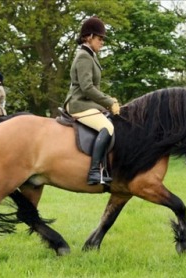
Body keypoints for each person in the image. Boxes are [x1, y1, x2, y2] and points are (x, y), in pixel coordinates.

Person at [63, 16, 120, 185]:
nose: (102, 42)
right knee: (107, 127)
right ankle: (94, 172)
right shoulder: (84, 56)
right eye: (100, 38)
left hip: (86, 102)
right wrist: (108, 102)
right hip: (78, 103)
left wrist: (109, 101)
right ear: (89, 37)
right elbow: (87, 88)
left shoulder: (90, 55)